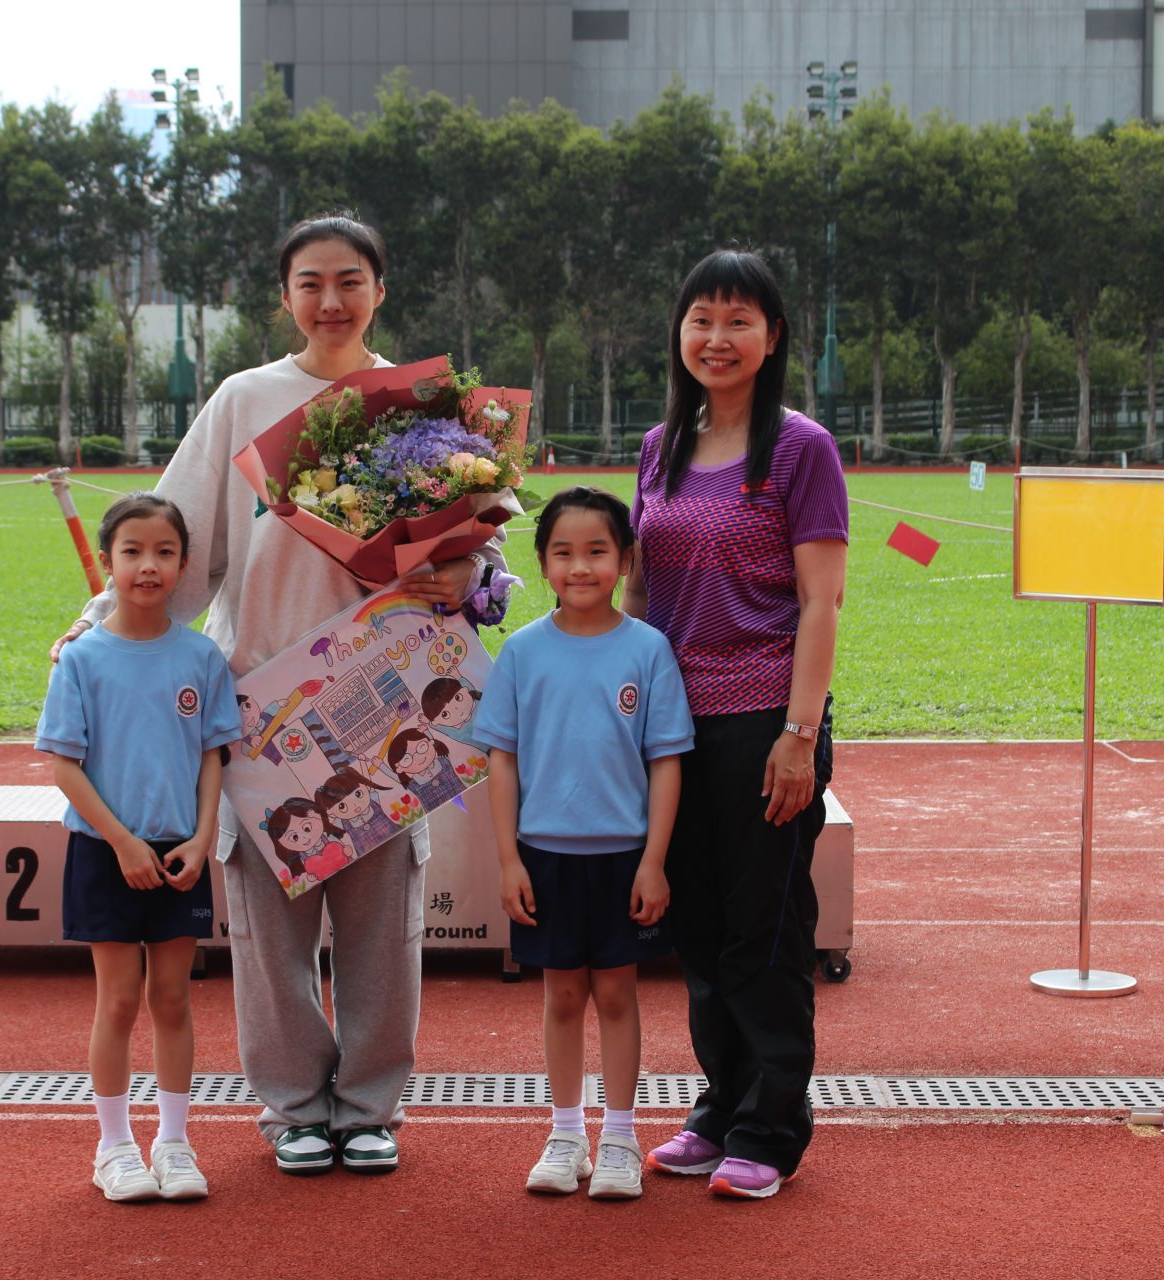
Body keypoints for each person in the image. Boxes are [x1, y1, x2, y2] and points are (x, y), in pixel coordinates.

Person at [50, 213, 507, 1176]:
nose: (330, 300)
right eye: (310, 283)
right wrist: (99, 623)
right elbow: (180, 540)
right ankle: (295, 1106)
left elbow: (483, 555)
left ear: (380, 289)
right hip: (262, 704)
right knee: (269, 932)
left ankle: (371, 1106)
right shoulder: (243, 400)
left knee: (384, 927)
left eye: (350, 281)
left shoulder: (424, 408)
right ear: (285, 295)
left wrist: (464, 577)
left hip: (391, 701)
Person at [624, 250, 849, 1201]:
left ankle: (771, 1126)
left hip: (763, 720)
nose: (717, 338)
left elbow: (822, 600)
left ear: (773, 336)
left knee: (766, 929)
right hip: (672, 728)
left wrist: (800, 733)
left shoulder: (800, 448)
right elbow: (642, 592)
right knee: (701, 926)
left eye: (739, 320)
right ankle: (720, 1108)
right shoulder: (659, 446)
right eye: (701, 319)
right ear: (679, 333)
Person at [472, 487, 694, 1200]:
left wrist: (654, 861)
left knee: (619, 995)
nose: (580, 567)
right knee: (562, 995)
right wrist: (509, 859)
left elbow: (666, 761)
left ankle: (620, 1137)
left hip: (625, 857)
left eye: (597, 551)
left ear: (625, 560)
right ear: (542, 563)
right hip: (545, 857)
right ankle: (566, 1134)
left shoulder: (648, 650)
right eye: (563, 552)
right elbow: (501, 760)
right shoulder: (523, 652)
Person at [34, 492, 243, 1202]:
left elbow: (213, 755)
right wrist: (122, 842)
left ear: (184, 566)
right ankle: (115, 1147)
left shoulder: (201, 656)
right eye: (132, 552)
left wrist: (203, 836)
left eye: (164, 552)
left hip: (181, 852)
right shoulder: (82, 659)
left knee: (173, 998)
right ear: (107, 563)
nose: (148, 566)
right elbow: (65, 765)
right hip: (106, 852)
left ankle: (175, 1143)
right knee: (119, 1000)